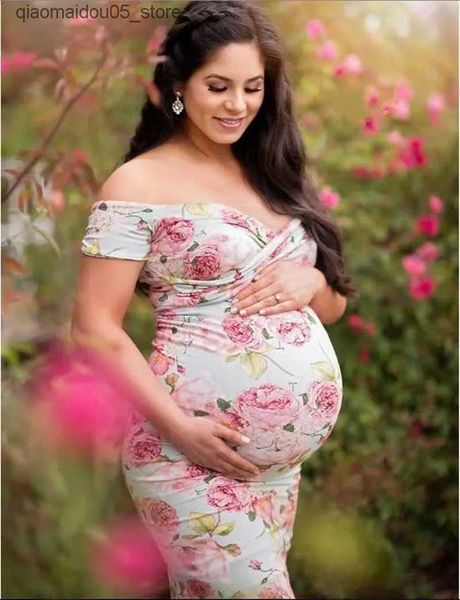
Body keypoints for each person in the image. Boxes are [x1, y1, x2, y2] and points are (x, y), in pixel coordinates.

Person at [72, 1, 357, 598]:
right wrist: (180, 428)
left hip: (274, 471)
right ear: (179, 86)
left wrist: (313, 284)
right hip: (187, 456)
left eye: (253, 87)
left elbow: (332, 308)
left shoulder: (270, 171)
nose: (238, 105)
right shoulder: (136, 185)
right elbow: (94, 329)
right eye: (218, 87)